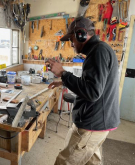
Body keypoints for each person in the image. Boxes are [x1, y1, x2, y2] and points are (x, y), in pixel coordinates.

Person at [46, 16, 120, 165]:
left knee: (64, 161)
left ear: (81, 34)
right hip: (100, 123)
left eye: (71, 39)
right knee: (91, 161)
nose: (71, 44)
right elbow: (95, 84)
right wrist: (64, 80)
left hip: (91, 124)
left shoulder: (98, 52)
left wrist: (63, 73)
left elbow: (92, 92)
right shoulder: (100, 49)